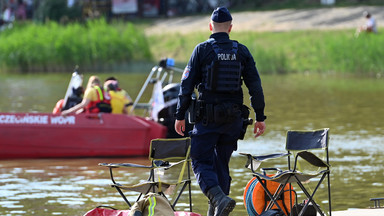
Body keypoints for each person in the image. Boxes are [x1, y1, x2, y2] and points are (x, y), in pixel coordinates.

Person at [174, 7, 266, 216]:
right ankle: (218, 210)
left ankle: (218, 198)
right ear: (230, 28)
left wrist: (179, 115)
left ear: (210, 27)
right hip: (233, 120)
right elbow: (256, 88)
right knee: (221, 165)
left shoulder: (202, 50)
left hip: (207, 119)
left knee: (199, 160)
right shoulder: (241, 51)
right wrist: (260, 117)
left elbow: (186, 86)